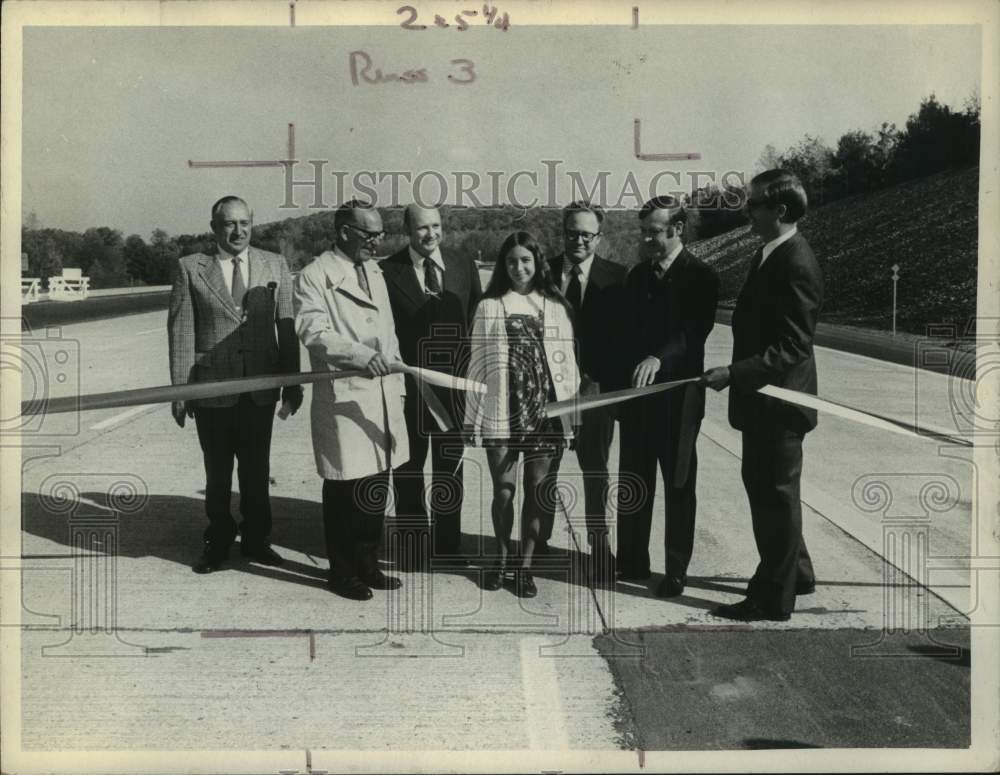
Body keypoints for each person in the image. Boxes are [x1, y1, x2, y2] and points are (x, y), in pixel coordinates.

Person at [702, 169, 822, 622]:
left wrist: (734, 373)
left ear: (781, 211)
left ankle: (772, 597)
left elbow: (794, 346)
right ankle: (800, 573)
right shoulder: (770, 253)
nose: (747, 212)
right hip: (766, 403)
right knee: (774, 493)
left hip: (780, 405)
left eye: (754, 205)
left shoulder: (796, 262)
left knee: (773, 497)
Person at [168, 195, 303, 574]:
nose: (238, 230)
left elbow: (287, 330)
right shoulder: (190, 269)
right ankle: (218, 541)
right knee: (218, 472)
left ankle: (258, 540)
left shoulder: (274, 264)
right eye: (229, 223)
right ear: (214, 228)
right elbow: (181, 333)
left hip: (260, 390)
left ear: (252, 224)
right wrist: (181, 392)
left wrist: (292, 384)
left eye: (244, 223)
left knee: (257, 471)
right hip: (212, 389)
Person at [293, 199, 409, 601]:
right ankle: (342, 573)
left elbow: (388, 330)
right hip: (345, 397)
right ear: (344, 233)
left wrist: (399, 385)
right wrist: (363, 356)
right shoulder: (314, 276)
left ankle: (368, 565)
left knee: (376, 486)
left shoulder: (373, 271)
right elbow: (314, 333)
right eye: (369, 235)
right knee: (345, 489)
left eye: (380, 235)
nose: (377, 243)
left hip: (382, 393)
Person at [464, 232, 580, 598]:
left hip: (544, 413)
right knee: (503, 491)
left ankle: (525, 568)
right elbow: (476, 366)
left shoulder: (554, 306)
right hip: (501, 411)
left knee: (536, 490)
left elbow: (567, 367)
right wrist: (472, 419)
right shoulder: (489, 306)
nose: (519, 268)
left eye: (526, 260)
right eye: (512, 261)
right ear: (503, 264)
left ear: (537, 262)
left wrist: (569, 418)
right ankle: (500, 559)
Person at [616, 196, 719, 597]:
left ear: (677, 230)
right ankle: (632, 560)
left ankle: (676, 570)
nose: (646, 239)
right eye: (643, 231)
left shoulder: (701, 276)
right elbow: (625, 333)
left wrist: (659, 357)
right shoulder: (637, 276)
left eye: (654, 232)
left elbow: (694, 332)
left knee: (678, 487)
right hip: (638, 400)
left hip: (679, 403)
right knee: (634, 482)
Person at [381, 204, 482, 564]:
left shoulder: (462, 263)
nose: (430, 234)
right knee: (408, 469)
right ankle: (410, 547)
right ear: (407, 229)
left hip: (454, 390)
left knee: (449, 471)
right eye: (422, 228)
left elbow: (476, 323)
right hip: (407, 390)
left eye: (436, 226)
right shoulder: (386, 271)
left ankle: (448, 545)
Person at [544, 200, 627, 583]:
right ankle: (538, 538)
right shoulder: (540, 271)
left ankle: (599, 545)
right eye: (571, 233)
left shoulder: (617, 278)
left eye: (586, 234)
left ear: (599, 237)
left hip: (595, 390)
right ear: (562, 233)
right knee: (545, 467)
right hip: (548, 391)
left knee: (596, 469)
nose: (578, 240)